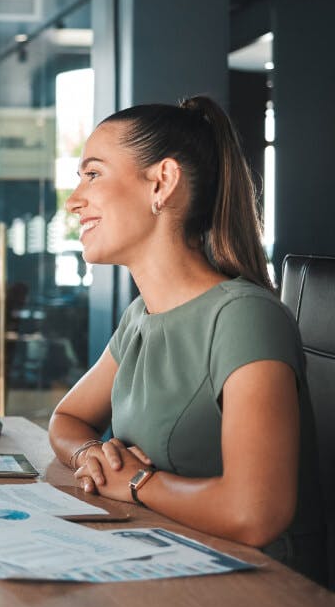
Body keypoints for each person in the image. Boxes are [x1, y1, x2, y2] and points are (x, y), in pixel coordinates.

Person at [47, 95, 325, 581]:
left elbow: (255, 513)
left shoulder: (244, 317)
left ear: (162, 182)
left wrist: (135, 482)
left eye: (92, 174)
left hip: (254, 588)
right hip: (159, 555)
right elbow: (67, 418)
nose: (74, 201)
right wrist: (91, 455)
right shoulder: (140, 317)